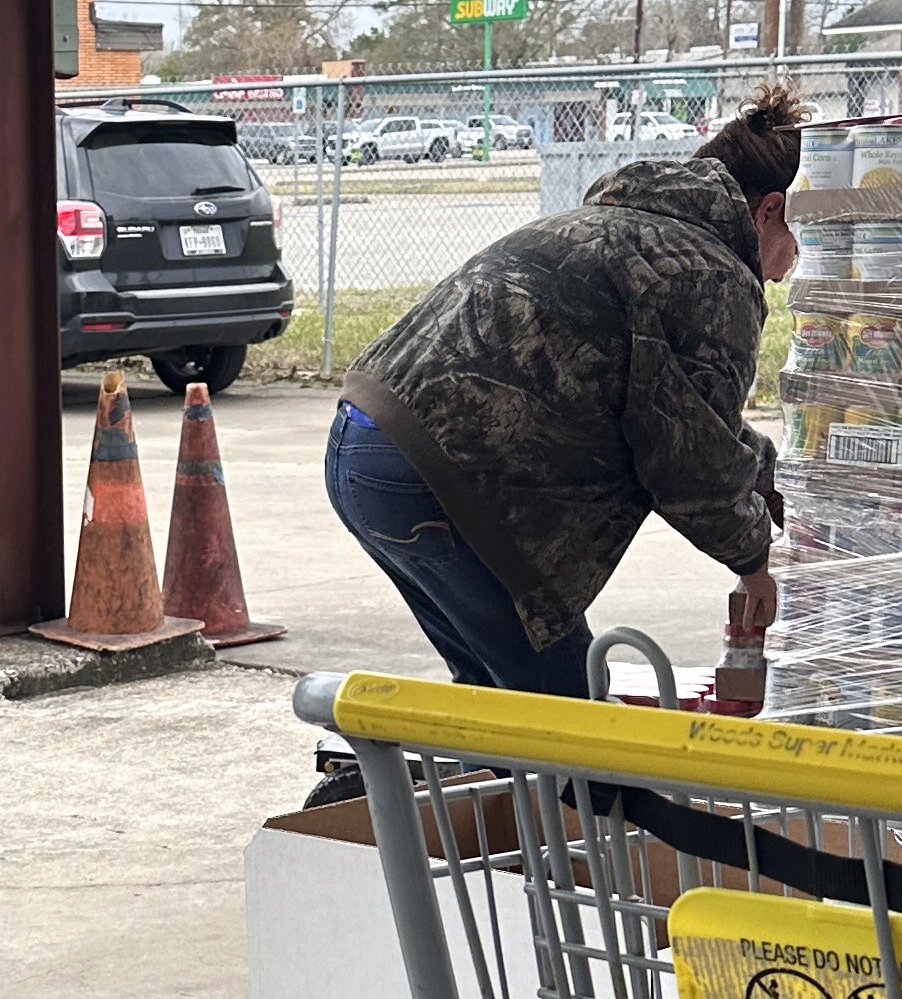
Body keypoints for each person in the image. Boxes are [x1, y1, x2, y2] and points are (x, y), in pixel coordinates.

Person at [325, 86, 800, 701]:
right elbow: (689, 468)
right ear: (768, 210)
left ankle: (466, 796)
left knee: (495, 694)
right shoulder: (711, 274)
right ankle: (592, 801)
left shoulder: (625, 227)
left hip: (365, 446)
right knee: (567, 717)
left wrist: (774, 481)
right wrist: (755, 560)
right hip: (444, 483)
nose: (792, 266)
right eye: (803, 239)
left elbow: (689, 416)